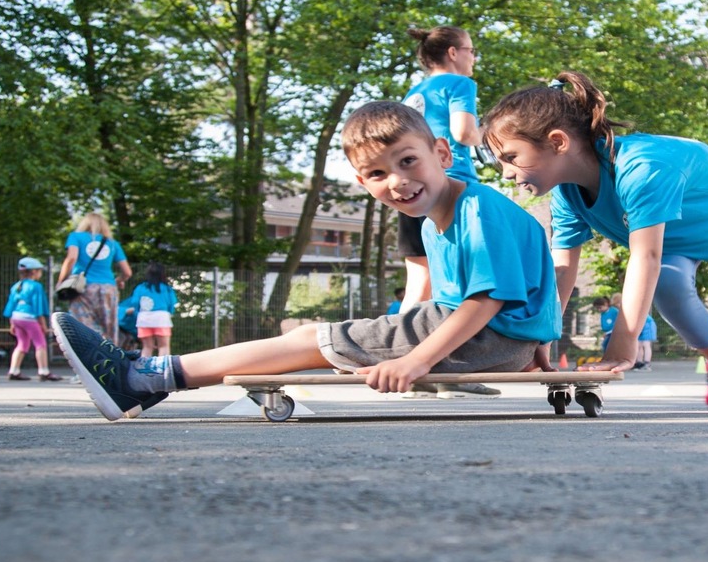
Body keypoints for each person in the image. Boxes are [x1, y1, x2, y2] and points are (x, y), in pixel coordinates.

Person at [53, 100, 560, 421]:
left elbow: (488, 299)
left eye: (408, 161)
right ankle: (147, 376)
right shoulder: (435, 222)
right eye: (378, 174)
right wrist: (542, 350)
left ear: (442, 154)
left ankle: (141, 379)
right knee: (315, 341)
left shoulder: (477, 207)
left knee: (311, 340)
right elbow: (528, 292)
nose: (398, 182)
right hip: (496, 341)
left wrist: (417, 360)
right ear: (363, 185)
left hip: (481, 336)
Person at [482, 71, 708, 411]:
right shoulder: (567, 195)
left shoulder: (641, 169)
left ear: (558, 142)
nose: (506, 173)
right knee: (667, 279)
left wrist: (621, 349)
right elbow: (562, 272)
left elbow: (645, 258)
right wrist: (540, 334)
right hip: (677, 241)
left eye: (511, 157)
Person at [400, 25, 498, 398]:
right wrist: (485, 132)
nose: (474, 58)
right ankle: (449, 371)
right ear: (454, 53)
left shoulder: (414, 93)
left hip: (410, 188)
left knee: (419, 282)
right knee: (458, 280)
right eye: (471, 50)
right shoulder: (459, 86)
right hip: (449, 185)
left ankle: (407, 365)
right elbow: (462, 133)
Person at [56, 212, 131, 344]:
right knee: (109, 328)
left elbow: (71, 258)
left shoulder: (76, 237)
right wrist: (119, 280)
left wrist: (61, 281)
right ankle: (110, 358)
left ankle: (87, 356)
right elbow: (127, 272)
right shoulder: (113, 244)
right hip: (108, 288)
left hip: (82, 287)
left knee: (82, 325)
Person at [4, 257, 61, 381]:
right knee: (40, 343)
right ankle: (44, 371)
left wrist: (11, 323)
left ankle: (13, 370)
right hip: (29, 318)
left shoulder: (16, 286)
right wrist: (44, 325)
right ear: (34, 272)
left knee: (22, 344)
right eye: (40, 270)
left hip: (16, 318)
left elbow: (11, 305)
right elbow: (38, 306)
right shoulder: (36, 286)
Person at [130, 263, 178, 358]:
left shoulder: (141, 287)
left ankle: (144, 369)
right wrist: (171, 313)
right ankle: (163, 369)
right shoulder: (166, 288)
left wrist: (137, 314)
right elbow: (171, 304)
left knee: (147, 347)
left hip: (144, 318)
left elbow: (135, 303)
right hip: (161, 318)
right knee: (163, 346)